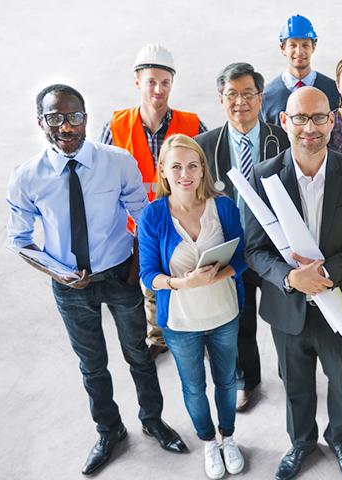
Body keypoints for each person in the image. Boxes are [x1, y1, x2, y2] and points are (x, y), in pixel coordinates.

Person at [7, 84, 187, 476]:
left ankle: (153, 420)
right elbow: (19, 241)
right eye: (55, 118)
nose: (66, 127)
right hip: (70, 286)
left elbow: (145, 219)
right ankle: (109, 430)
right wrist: (58, 272)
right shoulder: (27, 178)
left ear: (86, 118)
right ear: (41, 123)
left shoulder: (118, 162)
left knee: (140, 355)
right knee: (92, 365)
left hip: (120, 275)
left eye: (74, 116)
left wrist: (138, 264)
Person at [245, 86, 342, 480]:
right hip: (287, 308)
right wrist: (290, 278)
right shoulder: (263, 176)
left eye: (319, 117)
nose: (310, 127)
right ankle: (301, 442)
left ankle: (341, 439)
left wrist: (326, 274)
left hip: (338, 303)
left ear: (332, 120)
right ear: (285, 122)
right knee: (296, 384)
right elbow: (255, 250)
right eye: (300, 118)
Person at [138, 134, 247, 479]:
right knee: (194, 387)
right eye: (176, 167)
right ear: (164, 172)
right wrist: (183, 284)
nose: (185, 173)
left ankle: (228, 437)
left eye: (192, 165)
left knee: (227, 382)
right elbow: (148, 273)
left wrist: (221, 274)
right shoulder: (153, 216)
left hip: (224, 312)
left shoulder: (224, 207)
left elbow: (243, 257)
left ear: (202, 169)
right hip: (181, 321)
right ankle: (208, 442)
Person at [101, 43, 207, 358]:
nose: (158, 89)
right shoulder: (117, 127)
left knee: (188, 283)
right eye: (151, 81)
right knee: (150, 288)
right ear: (137, 82)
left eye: (164, 82)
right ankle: (159, 340)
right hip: (134, 228)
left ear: (172, 83)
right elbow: (102, 181)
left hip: (182, 222)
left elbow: (207, 170)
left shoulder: (191, 125)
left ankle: (194, 335)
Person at [196, 62, 288, 412]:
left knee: (283, 317)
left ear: (260, 98)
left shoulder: (282, 138)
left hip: (277, 248)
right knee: (239, 321)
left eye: (248, 93)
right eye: (231, 95)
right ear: (220, 100)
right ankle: (245, 380)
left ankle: (289, 372)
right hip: (231, 248)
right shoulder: (204, 146)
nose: (240, 102)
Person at [261, 14, 341, 125]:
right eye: (293, 45)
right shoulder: (266, 96)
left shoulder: (334, 91)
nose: (299, 51)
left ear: (313, 47)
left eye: (305, 45)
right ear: (283, 49)